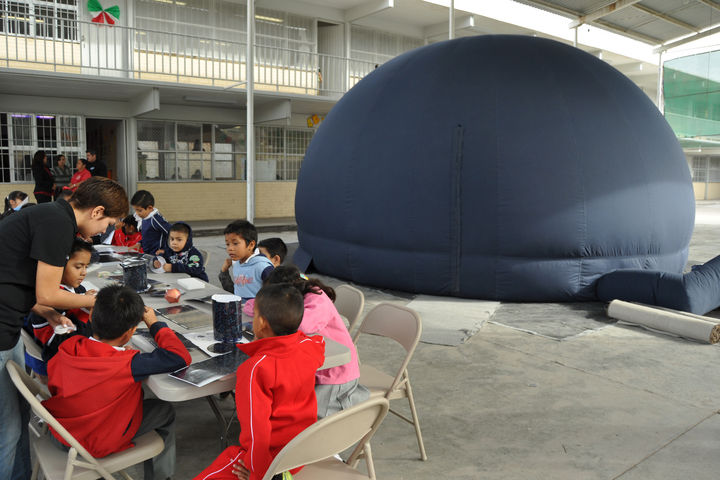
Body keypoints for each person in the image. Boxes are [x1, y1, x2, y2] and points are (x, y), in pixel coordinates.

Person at [0, 176, 128, 480]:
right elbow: (47, 292)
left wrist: (48, 313)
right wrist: (93, 301)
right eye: (108, 223)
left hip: (10, 322)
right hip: (2, 326)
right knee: (8, 428)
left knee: (17, 416)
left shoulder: (50, 215)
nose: (104, 231)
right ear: (97, 211)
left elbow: (15, 278)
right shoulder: (58, 223)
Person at [43, 285, 191, 480]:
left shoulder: (69, 346)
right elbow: (180, 356)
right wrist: (154, 323)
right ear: (129, 333)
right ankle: (161, 477)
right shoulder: (128, 364)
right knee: (164, 410)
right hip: (94, 443)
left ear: (92, 314)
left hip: (60, 432)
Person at [193, 284, 325, 480]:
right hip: (301, 448)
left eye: (254, 315)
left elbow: (257, 433)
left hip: (273, 460)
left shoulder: (255, 369)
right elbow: (319, 343)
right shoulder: (308, 347)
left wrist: (260, 474)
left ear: (262, 323)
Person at [263, 266, 368, 418]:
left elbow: (303, 325)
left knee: (307, 417)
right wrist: (264, 306)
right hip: (315, 367)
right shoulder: (295, 298)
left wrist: (273, 313)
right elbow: (253, 306)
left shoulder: (317, 298)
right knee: (283, 398)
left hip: (335, 373)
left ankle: (348, 407)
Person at [25, 239, 95, 376]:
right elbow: (63, 345)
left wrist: (84, 300)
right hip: (57, 365)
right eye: (78, 267)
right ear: (58, 265)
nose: (84, 272)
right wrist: (90, 318)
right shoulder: (48, 300)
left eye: (86, 266)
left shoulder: (78, 289)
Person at [218, 220, 274, 302]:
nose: (230, 248)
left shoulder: (263, 267)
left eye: (235, 243)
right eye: (227, 244)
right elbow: (234, 292)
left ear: (251, 245)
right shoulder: (237, 264)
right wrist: (224, 271)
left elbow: (276, 294)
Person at [131, 190, 172, 255]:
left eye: (139, 210)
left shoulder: (156, 219)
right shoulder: (144, 217)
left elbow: (172, 232)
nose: (137, 213)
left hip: (158, 256)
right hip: (148, 254)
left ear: (150, 208)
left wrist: (166, 250)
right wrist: (140, 243)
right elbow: (149, 236)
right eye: (135, 210)